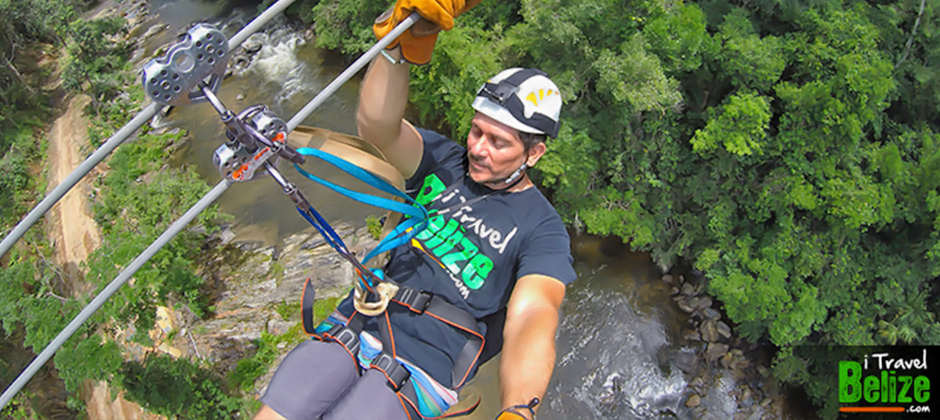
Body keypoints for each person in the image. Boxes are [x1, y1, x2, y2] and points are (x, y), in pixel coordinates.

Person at [254, 1, 576, 419]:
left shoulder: (542, 229)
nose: (478, 148)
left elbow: (533, 315)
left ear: (534, 154)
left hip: (424, 365)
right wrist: (397, 49)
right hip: (361, 319)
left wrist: (519, 408)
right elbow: (377, 127)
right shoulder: (443, 160)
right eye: (477, 131)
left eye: (498, 142)